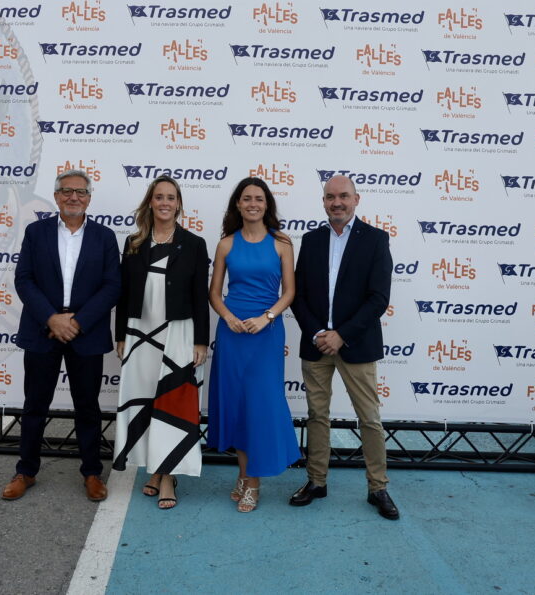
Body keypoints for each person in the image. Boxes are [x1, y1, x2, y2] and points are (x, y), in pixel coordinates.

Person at [1, 169, 121, 502]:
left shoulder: (105, 237)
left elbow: (112, 286)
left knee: (88, 407)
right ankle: (26, 471)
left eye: (81, 192)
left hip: (86, 332)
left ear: (89, 199)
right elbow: (24, 279)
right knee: (34, 406)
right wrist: (52, 318)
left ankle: (92, 472)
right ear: (56, 196)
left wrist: (78, 322)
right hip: (43, 330)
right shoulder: (35, 232)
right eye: (67, 191)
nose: (73, 197)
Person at [289, 175, 398, 519]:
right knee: (317, 416)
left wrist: (342, 334)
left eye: (343, 196)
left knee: (370, 419)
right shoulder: (311, 240)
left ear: (356, 199)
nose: (337, 202)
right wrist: (319, 332)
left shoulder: (376, 239)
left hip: (357, 345)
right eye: (330, 197)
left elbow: (378, 298)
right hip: (317, 345)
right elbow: (298, 295)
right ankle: (316, 481)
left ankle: (378, 487)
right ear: (323, 201)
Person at [112, 176, 209, 510]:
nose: (165, 202)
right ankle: (154, 468)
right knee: (144, 401)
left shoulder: (194, 244)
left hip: (179, 332)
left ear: (178, 204)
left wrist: (201, 341)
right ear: (150, 202)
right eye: (159, 197)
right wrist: (121, 334)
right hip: (140, 332)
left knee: (172, 403)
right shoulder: (134, 242)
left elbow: (200, 296)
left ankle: (167, 476)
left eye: (170, 197)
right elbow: (123, 293)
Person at [207, 176, 301, 512]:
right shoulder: (226, 244)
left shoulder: (282, 243)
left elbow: (289, 291)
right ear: (238, 203)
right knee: (236, 404)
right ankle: (245, 475)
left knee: (260, 405)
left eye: (259, 199)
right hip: (232, 334)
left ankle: (253, 482)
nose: (252, 204)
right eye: (246, 198)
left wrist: (268, 316)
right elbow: (214, 294)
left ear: (267, 205)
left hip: (266, 333)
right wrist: (228, 317)